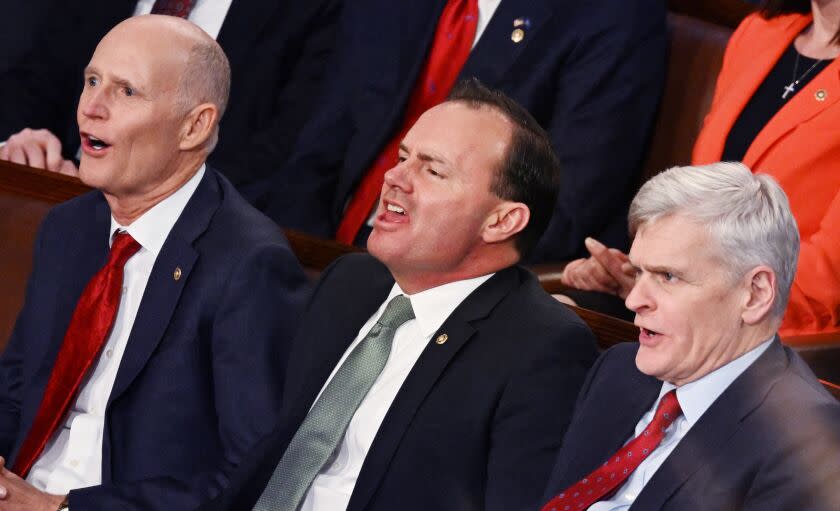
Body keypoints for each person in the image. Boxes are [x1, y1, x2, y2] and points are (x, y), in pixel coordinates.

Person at [200, 80, 599, 511]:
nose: (393, 178)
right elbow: (264, 450)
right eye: (404, 157)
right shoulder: (350, 283)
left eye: (432, 170)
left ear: (501, 221)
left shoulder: (541, 348)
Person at [0, 16, 310, 511]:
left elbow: (249, 477)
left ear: (195, 125)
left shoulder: (249, 265)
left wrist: (59, 507)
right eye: (92, 80)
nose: (91, 108)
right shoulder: (68, 229)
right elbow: (16, 388)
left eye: (126, 91)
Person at [258, 0, 666, 262]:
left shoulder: (617, 13)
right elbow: (319, 137)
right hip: (320, 243)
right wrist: (289, 250)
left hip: (445, 272)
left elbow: (567, 209)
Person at [540, 163, 840, 511]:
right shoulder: (619, 370)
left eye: (668, 276)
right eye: (638, 272)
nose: (635, 299)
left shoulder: (808, 442)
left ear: (755, 295)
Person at [560, 0, 840, 340]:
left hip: (773, 331)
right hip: (694, 301)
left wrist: (675, 281)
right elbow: (699, 203)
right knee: (554, 317)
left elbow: (825, 283)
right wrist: (638, 272)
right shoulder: (760, 33)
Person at [0, 0, 339, 191]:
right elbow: (32, 82)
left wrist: (136, 195)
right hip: (46, 194)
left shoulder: (311, 13)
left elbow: (279, 156)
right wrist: (21, 149)